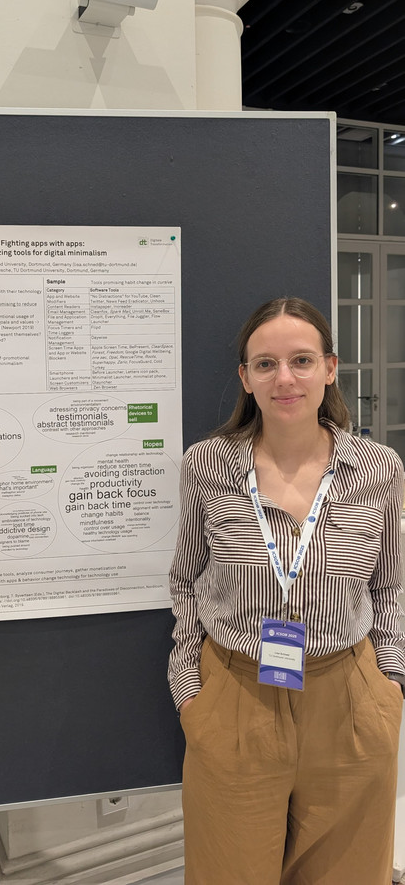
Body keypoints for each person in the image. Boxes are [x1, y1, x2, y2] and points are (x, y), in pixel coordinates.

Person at [168, 296, 405, 885]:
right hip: (235, 695)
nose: (285, 378)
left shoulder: (379, 469)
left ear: (330, 367)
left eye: (301, 360)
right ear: (245, 379)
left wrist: (390, 687)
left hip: (348, 696)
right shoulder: (206, 465)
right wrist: (192, 695)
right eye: (266, 364)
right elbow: (185, 582)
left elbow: (393, 585)